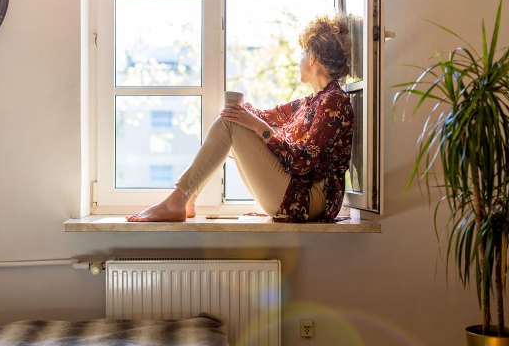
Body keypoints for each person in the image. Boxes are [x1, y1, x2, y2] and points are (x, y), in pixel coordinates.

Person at [127, 14, 354, 223]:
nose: (300, 59)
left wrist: (256, 126)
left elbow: (302, 162)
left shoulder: (333, 102)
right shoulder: (311, 102)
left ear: (313, 58)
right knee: (233, 122)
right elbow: (264, 116)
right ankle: (187, 199)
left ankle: (178, 201)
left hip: (308, 201)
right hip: (297, 195)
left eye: (302, 53)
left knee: (231, 124)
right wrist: (240, 110)